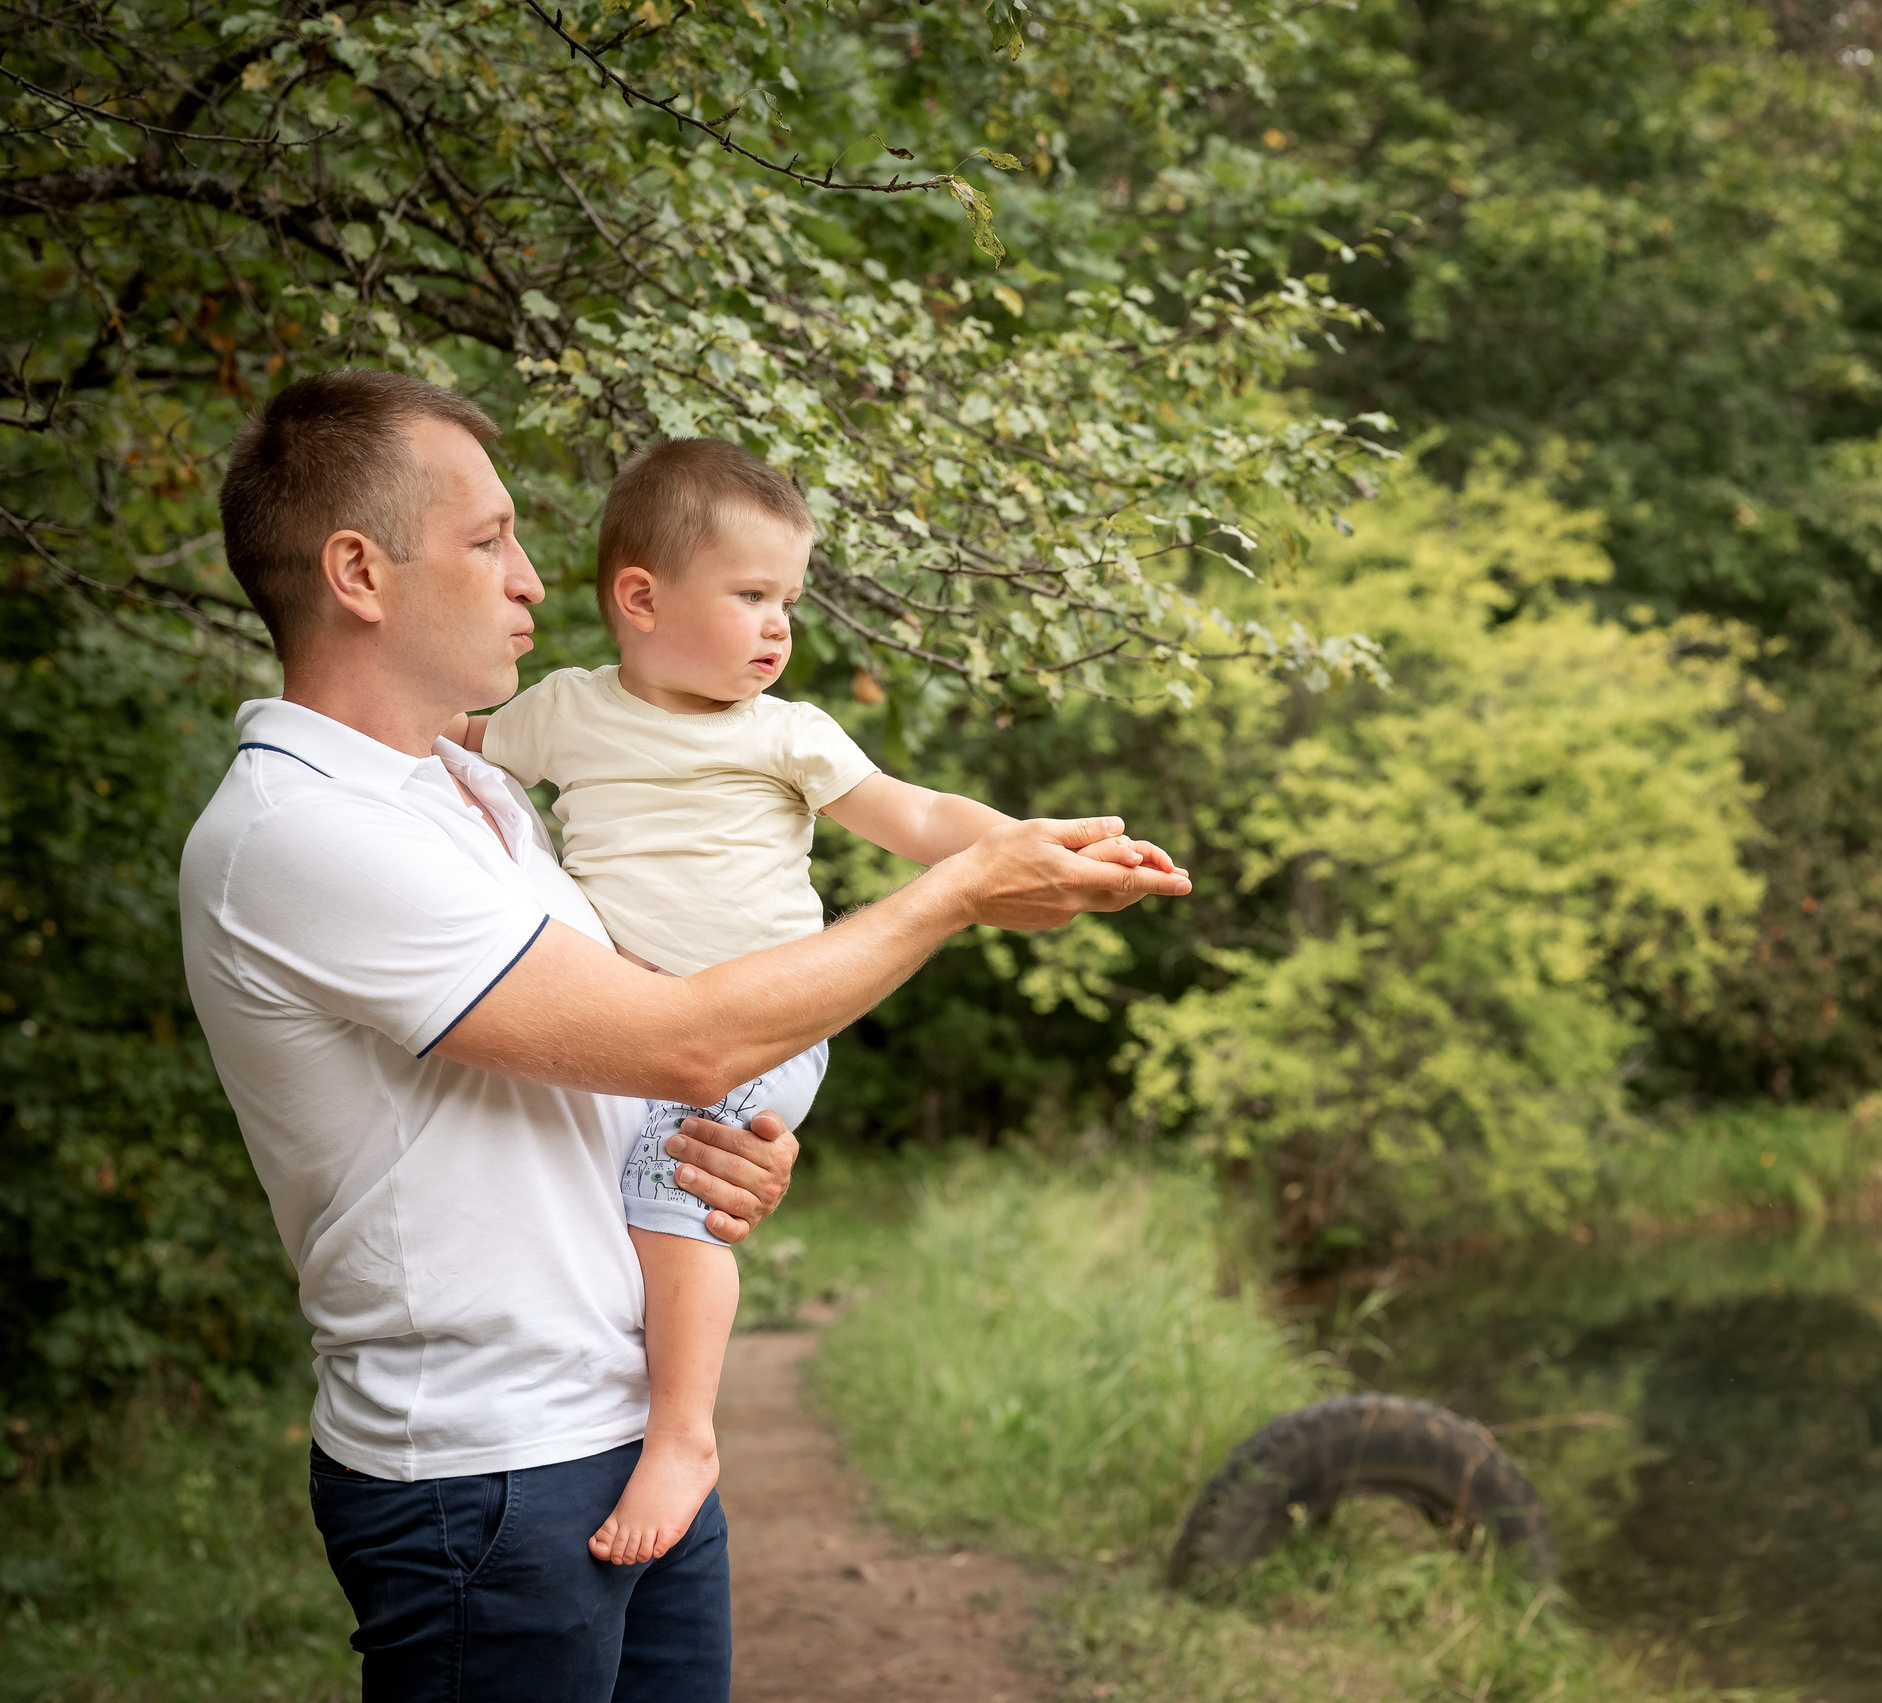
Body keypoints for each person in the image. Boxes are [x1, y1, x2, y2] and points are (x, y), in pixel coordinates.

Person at [179, 369, 1190, 1703]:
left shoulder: (471, 790)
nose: (536, 578)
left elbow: (608, 1059)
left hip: (620, 1417)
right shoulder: (306, 832)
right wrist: (955, 897)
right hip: (488, 1478)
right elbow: (678, 1036)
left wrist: (727, 1155)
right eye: (489, 541)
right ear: (359, 571)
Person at [445, 436, 1181, 1567]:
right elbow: (461, 742)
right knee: (600, 1186)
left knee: (666, 1189)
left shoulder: (786, 732)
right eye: (752, 595)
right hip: (635, 1026)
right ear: (640, 599)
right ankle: (613, 1405)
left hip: (765, 1019)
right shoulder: (569, 713)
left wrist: (1046, 846)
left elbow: (923, 820)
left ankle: (684, 1431)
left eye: (787, 598)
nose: (782, 625)